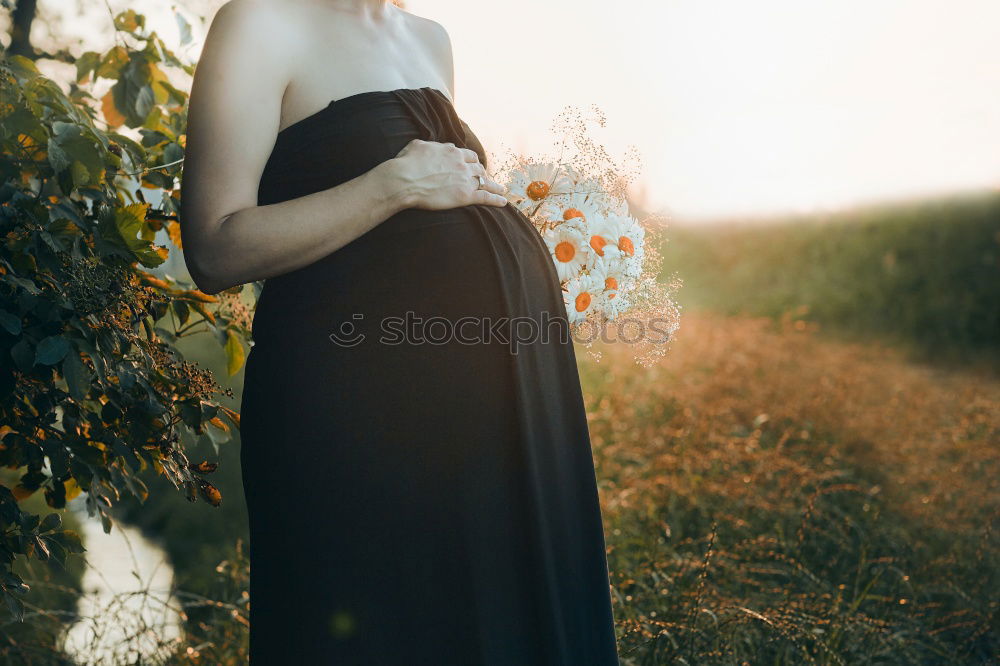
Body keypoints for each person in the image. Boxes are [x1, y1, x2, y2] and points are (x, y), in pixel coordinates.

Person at [179, 0, 621, 663]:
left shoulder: (429, 39)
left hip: (495, 412)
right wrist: (391, 185)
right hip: (356, 414)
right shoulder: (260, 22)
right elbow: (214, 249)